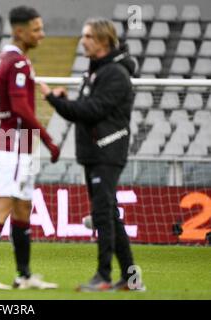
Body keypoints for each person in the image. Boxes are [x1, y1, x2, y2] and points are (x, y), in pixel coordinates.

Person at [40, 18, 145, 292]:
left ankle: (103, 276)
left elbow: (91, 111)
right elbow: (86, 108)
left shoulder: (114, 74)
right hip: (96, 151)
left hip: (107, 150)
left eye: (87, 36)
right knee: (110, 215)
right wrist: (63, 101)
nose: (82, 40)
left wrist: (54, 100)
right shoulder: (96, 72)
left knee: (103, 214)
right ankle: (132, 280)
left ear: (102, 40)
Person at [0, 6, 60, 290]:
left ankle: (24, 275)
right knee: (4, 206)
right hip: (16, 144)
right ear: (19, 31)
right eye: (36, 29)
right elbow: (20, 106)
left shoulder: (1, 59)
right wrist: (47, 139)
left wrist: (1, 124)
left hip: (8, 140)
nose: (41, 35)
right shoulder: (19, 62)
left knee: (22, 209)